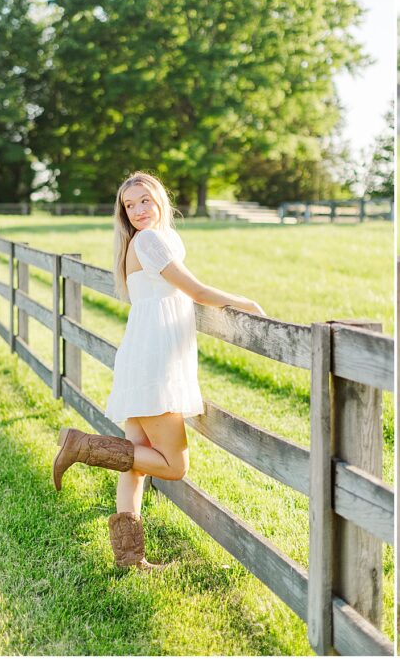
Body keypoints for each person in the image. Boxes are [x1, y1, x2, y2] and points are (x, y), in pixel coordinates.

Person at [52, 171, 266, 570]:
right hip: (155, 361)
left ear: (160, 200)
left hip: (145, 355)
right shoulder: (148, 242)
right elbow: (197, 292)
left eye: (143, 201)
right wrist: (245, 302)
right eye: (129, 206)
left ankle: (129, 558)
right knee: (173, 465)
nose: (137, 211)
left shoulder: (155, 239)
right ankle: (81, 446)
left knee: (134, 462)